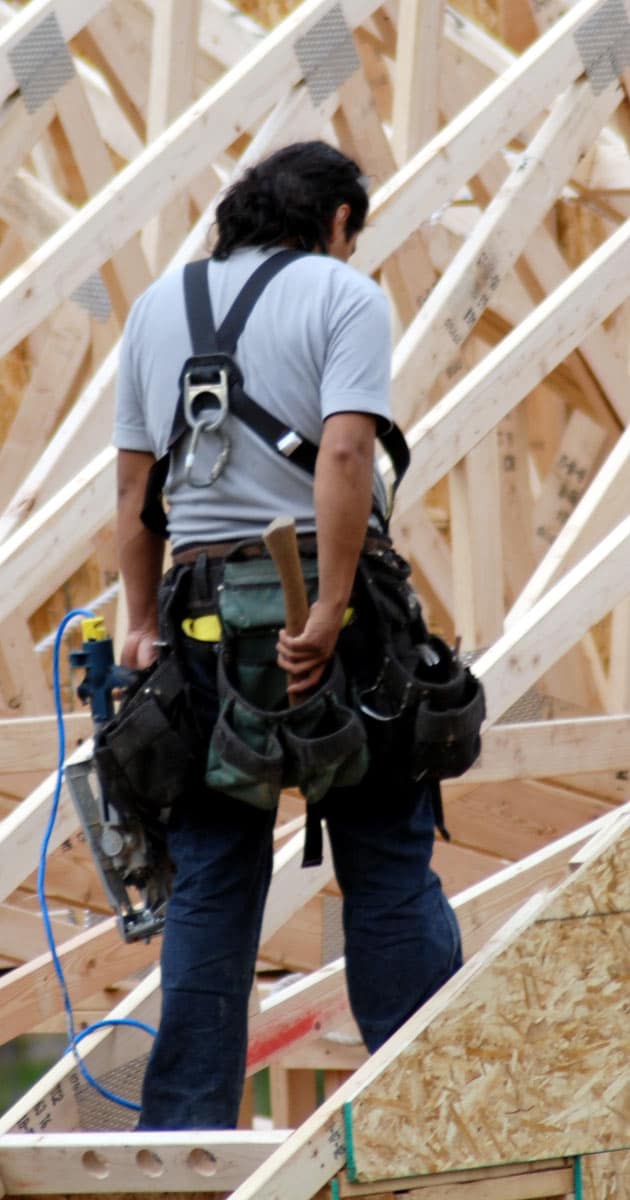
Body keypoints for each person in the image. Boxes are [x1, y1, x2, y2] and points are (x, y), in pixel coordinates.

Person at [113, 140, 463, 1131]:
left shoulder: (155, 309)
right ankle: (430, 1114)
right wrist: (328, 605)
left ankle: (183, 1140)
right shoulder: (342, 297)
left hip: (201, 622)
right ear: (338, 221)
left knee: (213, 875)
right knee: (387, 864)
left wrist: (139, 625)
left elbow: (136, 496)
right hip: (327, 608)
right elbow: (346, 449)